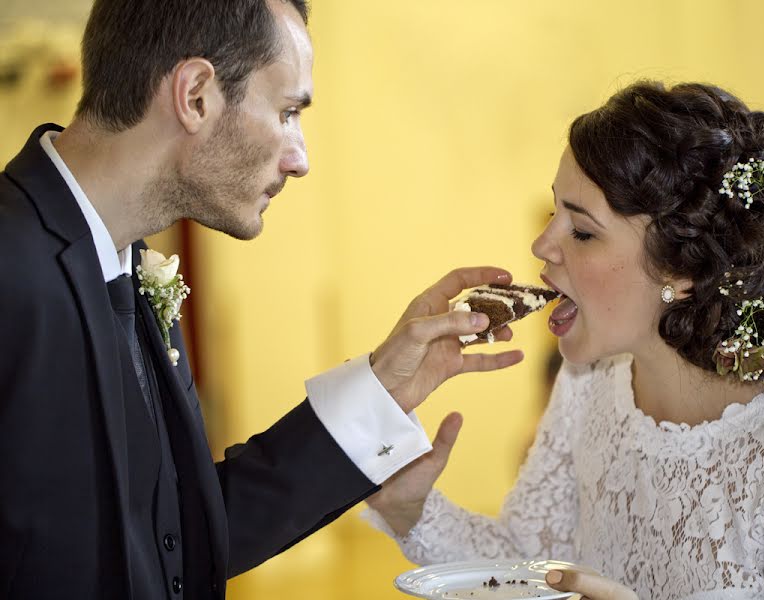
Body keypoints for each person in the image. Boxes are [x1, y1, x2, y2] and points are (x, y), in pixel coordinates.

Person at [0, 1, 524, 598]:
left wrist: (384, 389)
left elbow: (175, 538)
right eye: (287, 111)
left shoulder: (128, 265)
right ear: (196, 94)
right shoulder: (11, 269)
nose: (301, 160)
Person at [364, 81, 764, 599]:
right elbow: (529, 563)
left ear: (680, 270)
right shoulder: (590, 381)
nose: (541, 244)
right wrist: (412, 509)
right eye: (554, 213)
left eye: (583, 231)